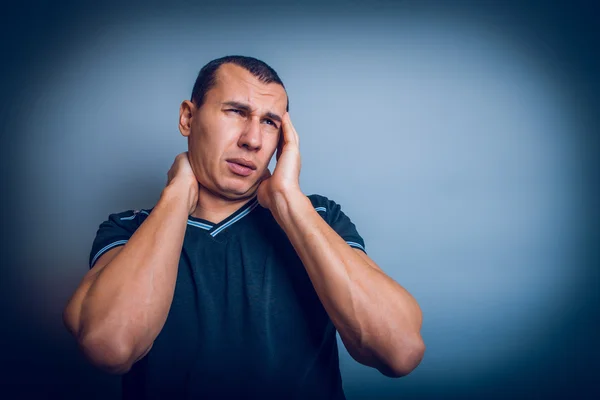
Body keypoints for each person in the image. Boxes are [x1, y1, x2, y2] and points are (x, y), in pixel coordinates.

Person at [63, 55, 425, 399]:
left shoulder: (318, 217)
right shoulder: (128, 230)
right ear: (188, 118)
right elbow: (109, 346)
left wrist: (286, 200)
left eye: (270, 122)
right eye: (236, 112)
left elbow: (398, 350)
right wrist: (177, 195)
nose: (252, 140)